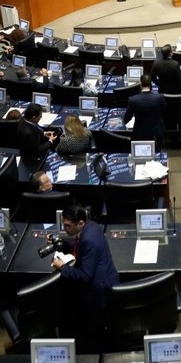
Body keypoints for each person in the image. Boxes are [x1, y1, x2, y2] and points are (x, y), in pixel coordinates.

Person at [53, 205, 119, 346]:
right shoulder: (91, 226)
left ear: (81, 223)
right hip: (107, 277)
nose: (65, 229)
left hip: (99, 292)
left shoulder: (88, 240)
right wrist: (61, 244)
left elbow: (85, 276)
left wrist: (62, 267)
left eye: (68, 226)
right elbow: (79, 246)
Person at [125, 74, 166, 146]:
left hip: (140, 133)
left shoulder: (133, 100)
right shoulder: (160, 98)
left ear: (140, 84)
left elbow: (126, 119)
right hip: (157, 132)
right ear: (151, 84)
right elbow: (165, 112)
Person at [17, 103, 57, 170]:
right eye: (40, 116)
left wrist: (44, 133)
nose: (41, 117)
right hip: (34, 160)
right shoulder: (30, 133)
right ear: (34, 117)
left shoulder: (24, 119)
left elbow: (36, 127)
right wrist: (50, 141)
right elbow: (38, 150)